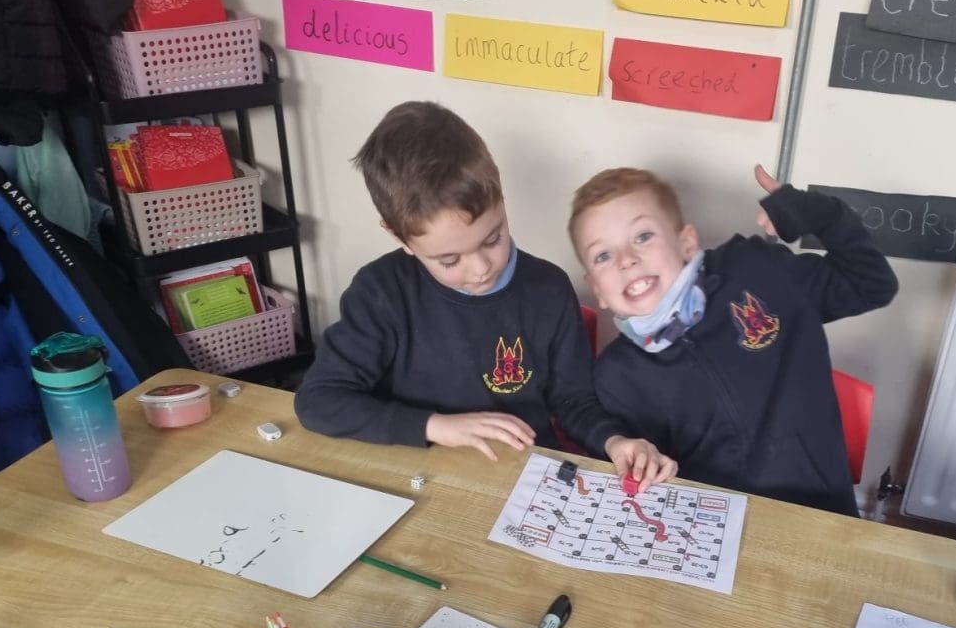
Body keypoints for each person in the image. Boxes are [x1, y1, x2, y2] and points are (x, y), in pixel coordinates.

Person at [295, 101, 675, 489]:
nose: (480, 269)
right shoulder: (381, 292)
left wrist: (615, 441)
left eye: (493, 238)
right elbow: (318, 401)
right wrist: (436, 426)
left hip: (519, 479)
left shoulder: (547, 289)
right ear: (399, 237)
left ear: (501, 198)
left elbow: (574, 401)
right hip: (419, 476)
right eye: (449, 260)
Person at [567, 165, 898, 515]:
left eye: (643, 236)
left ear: (686, 243)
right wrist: (630, 452)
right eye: (603, 255)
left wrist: (824, 215)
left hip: (823, 515)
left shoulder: (756, 270)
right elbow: (636, 469)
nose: (627, 260)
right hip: (713, 526)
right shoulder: (617, 373)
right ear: (596, 289)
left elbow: (872, 285)